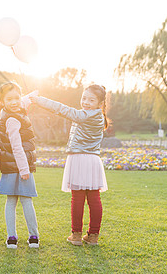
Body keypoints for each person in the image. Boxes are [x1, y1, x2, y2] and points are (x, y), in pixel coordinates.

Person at [29, 84, 108, 246]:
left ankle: (77, 235)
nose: (86, 102)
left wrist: (39, 101)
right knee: (94, 198)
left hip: (80, 159)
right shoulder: (98, 116)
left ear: (100, 103)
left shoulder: (86, 115)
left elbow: (63, 109)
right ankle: (92, 236)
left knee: (78, 198)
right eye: (84, 98)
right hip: (93, 160)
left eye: (91, 100)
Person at [0, 82, 40, 249]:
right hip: (18, 166)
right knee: (21, 201)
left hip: (12, 166)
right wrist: (24, 169)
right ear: (2, 100)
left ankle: (19, 237)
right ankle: (25, 236)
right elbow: (16, 146)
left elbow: (26, 100)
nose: (14, 102)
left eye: (16, 98)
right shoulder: (12, 119)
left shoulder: (12, 110)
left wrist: (34, 92)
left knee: (16, 201)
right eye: (9, 99)